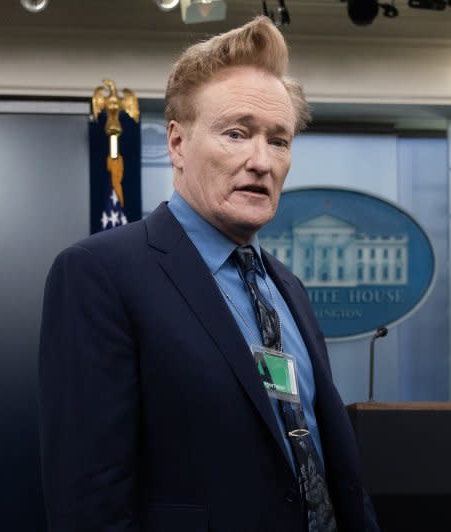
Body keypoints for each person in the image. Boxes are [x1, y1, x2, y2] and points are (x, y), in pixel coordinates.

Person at [38, 16, 381, 532]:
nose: (261, 161)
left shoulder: (287, 287)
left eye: (279, 140)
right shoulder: (101, 274)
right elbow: (89, 496)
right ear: (177, 144)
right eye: (236, 133)